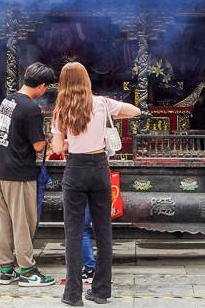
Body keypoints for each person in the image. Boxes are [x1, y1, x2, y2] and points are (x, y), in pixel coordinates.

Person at [51, 62, 141, 306]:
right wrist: (114, 114)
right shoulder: (101, 103)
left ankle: (72, 294)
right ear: (86, 80)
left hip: (76, 169)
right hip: (100, 168)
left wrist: (70, 143)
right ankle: (101, 291)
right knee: (104, 232)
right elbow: (135, 111)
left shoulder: (61, 110)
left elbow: (58, 148)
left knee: (73, 233)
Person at [0, 61, 58, 287]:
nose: (45, 91)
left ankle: (6, 269)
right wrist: (51, 138)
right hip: (18, 172)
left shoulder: (7, 100)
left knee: (3, 222)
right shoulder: (30, 108)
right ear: (41, 86)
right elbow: (38, 146)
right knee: (22, 223)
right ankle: (28, 271)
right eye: (46, 87)